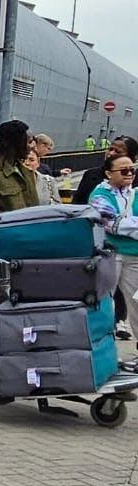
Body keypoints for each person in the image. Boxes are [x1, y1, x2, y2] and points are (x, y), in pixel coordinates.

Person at [87, 154, 138, 368]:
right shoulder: (99, 194)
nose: (130, 174)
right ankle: (103, 352)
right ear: (109, 173)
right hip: (110, 255)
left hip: (135, 256)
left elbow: (120, 224)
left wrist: (126, 224)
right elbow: (110, 223)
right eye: (123, 170)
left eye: (132, 170)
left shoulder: (135, 194)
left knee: (136, 303)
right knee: (104, 302)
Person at [73, 136, 138, 205]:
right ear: (109, 174)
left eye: (118, 151)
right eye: (110, 149)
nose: (111, 153)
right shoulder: (90, 175)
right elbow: (77, 205)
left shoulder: (135, 180)